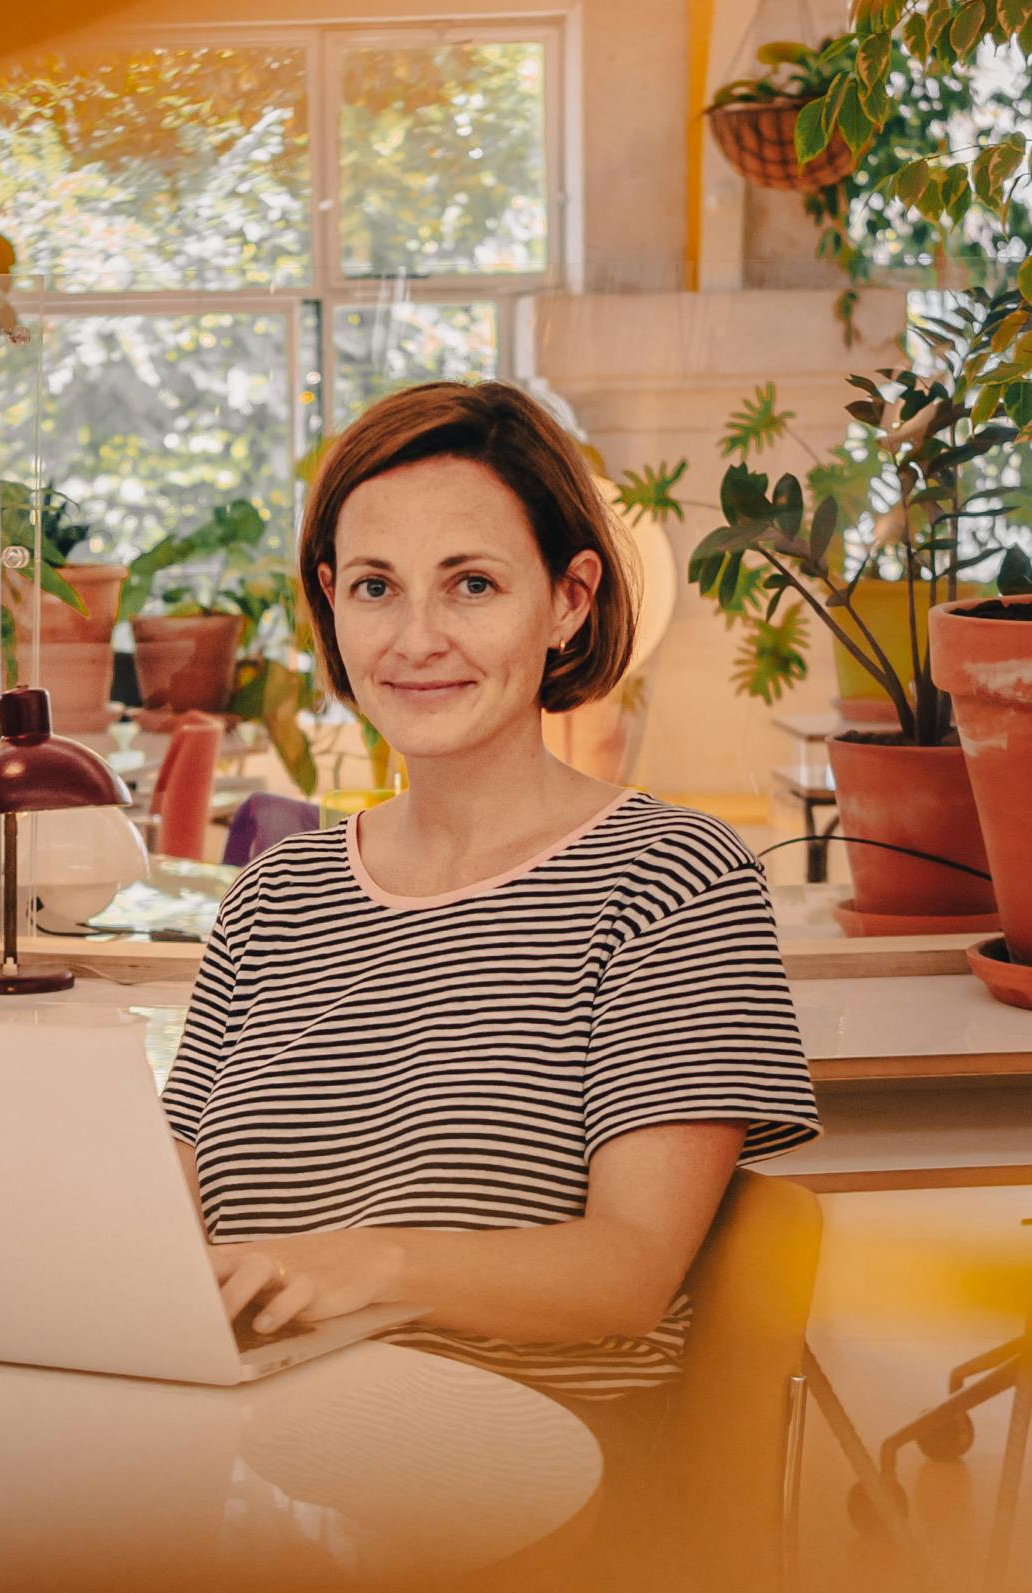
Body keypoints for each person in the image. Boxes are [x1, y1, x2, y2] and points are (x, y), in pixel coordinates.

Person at [162, 380, 820, 1423]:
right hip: (243, 1465)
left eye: (470, 584)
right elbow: (164, 1217)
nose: (415, 637)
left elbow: (628, 1269)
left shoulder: (673, 878)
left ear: (568, 599)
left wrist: (370, 1262)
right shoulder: (275, 894)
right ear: (331, 598)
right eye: (375, 587)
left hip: (517, 1474)